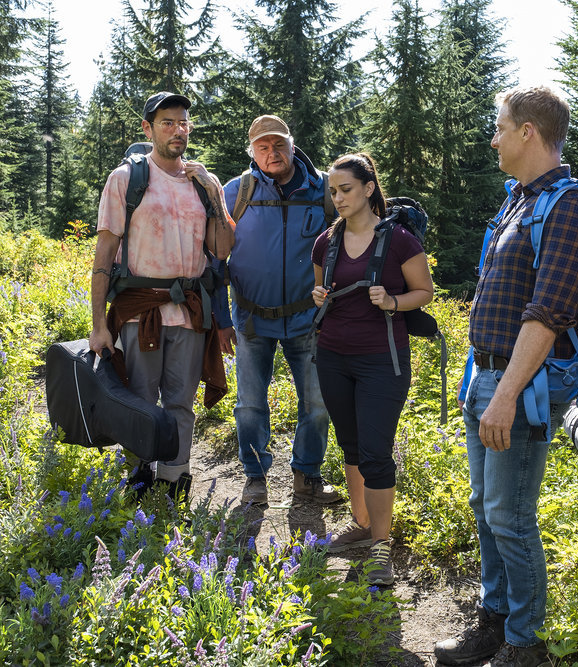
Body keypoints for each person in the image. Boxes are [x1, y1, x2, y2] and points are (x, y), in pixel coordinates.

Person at [433, 87, 578, 667]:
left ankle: (525, 644)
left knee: (510, 515)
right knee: (486, 507)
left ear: (529, 131)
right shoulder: (519, 200)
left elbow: (549, 313)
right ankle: (495, 619)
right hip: (485, 377)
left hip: (520, 388)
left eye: (500, 126)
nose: (494, 137)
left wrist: (504, 396)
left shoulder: (573, 204)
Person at [89, 91, 235, 500]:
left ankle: (174, 484)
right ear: (148, 128)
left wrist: (213, 192)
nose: (177, 130)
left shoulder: (204, 184)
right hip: (140, 310)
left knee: (180, 404)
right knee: (138, 400)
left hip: (188, 312)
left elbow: (222, 250)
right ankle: (137, 483)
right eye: (167, 122)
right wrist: (99, 324)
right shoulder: (126, 179)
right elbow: (103, 257)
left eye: (183, 122)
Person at [310, 152, 433, 585]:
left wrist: (394, 301)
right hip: (333, 357)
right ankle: (362, 526)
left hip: (384, 360)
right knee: (351, 445)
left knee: (377, 453)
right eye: (332, 192)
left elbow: (425, 292)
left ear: (367, 189)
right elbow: (319, 288)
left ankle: (382, 549)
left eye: (345, 190)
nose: (338, 198)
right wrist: (319, 296)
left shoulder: (399, 240)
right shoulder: (325, 242)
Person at [222, 115, 339, 506]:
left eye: (279, 144)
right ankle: (255, 476)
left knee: (318, 405)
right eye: (262, 147)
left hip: (310, 320)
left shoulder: (325, 190)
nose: (272, 153)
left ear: (292, 144)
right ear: (252, 152)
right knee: (250, 405)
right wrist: (220, 318)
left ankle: (307, 476)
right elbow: (212, 255)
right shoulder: (236, 192)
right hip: (252, 319)